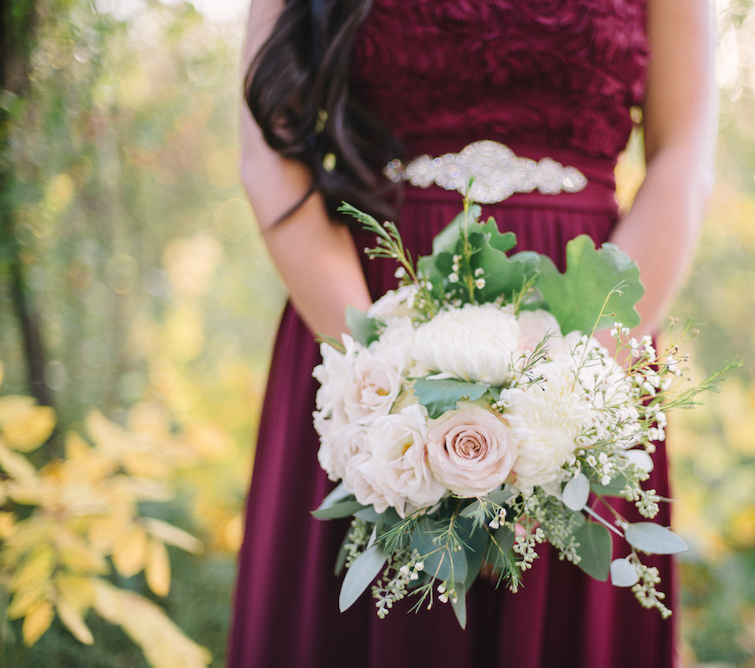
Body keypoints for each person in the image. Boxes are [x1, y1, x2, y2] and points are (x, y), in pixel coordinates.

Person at [229, 1, 716, 666]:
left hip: (587, 325)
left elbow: (683, 157)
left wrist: (571, 391)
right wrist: (382, 375)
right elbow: (268, 152)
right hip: (361, 318)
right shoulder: (370, 361)